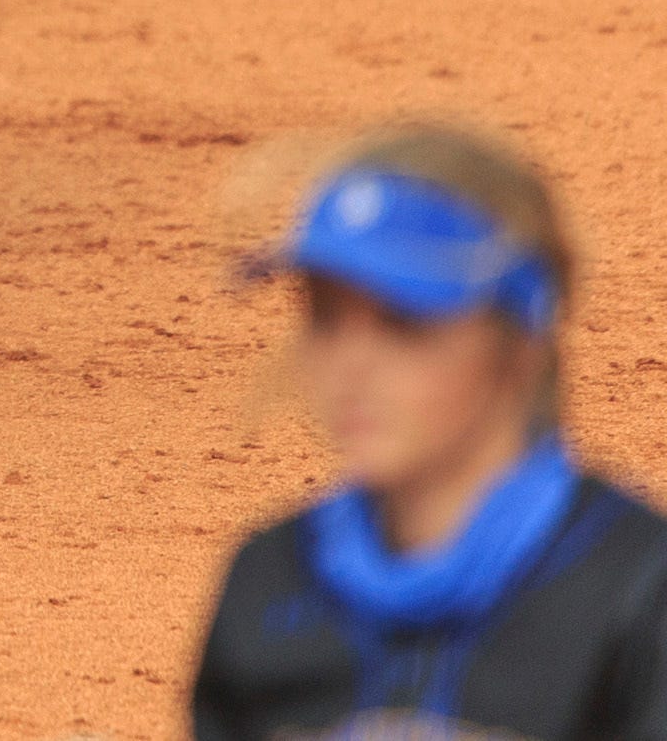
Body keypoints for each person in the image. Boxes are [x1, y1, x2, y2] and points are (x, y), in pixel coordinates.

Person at [194, 128, 667, 738]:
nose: (351, 367)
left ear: (520, 345)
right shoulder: (266, 584)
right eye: (326, 316)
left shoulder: (636, 591)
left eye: (405, 321)